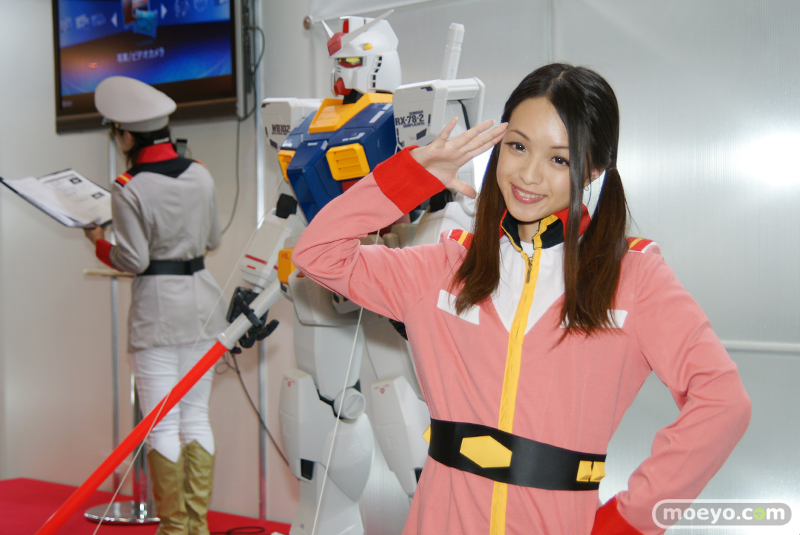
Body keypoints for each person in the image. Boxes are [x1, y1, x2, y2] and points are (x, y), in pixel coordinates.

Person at [291, 63, 751, 535]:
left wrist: (629, 521)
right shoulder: (444, 268)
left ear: (593, 169)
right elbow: (318, 254)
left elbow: (723, 402)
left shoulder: (634, 279)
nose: (529, 175)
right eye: (517, 146)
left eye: (559, 160)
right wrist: (412, 177)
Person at [85, 76, 227, 535]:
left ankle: (173, 530)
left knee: (161, 424)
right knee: (196, 416)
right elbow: (212, 240)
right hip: (203, 304)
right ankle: (196, 528)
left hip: (157, 314)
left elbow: (134, 259)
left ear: (126, 137)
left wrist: (98, 242)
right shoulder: (200, 173)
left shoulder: (128, 187)